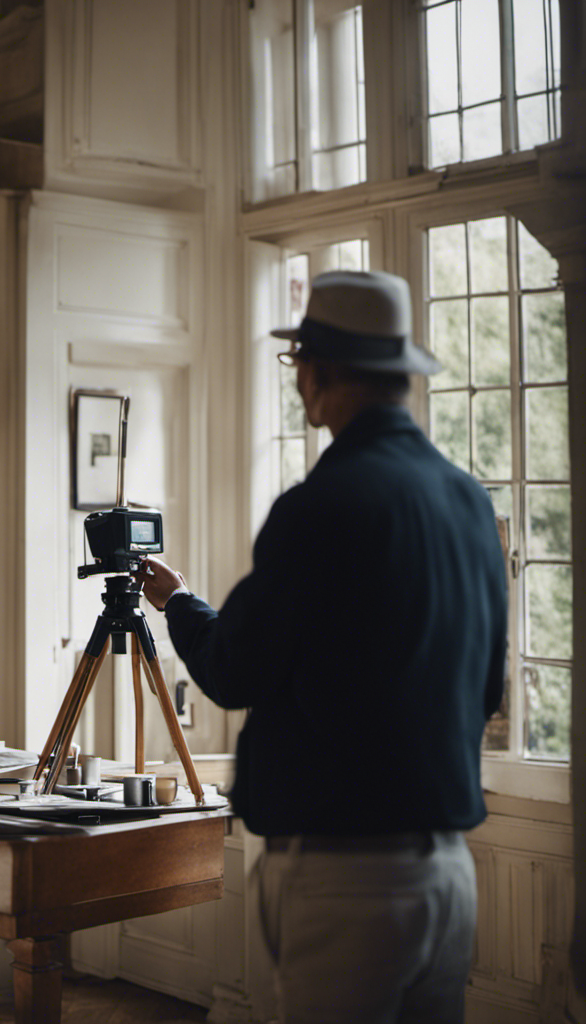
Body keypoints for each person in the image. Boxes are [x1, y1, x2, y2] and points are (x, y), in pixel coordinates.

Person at [134, 270, 507, 1024]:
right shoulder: (468, 501)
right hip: (449, 873)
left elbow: (234, 670)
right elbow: (487, 687)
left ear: (322, 368)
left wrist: (177, 602)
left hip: (348, 880)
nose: (297, 377)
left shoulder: (320, 506)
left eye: (297, 359)